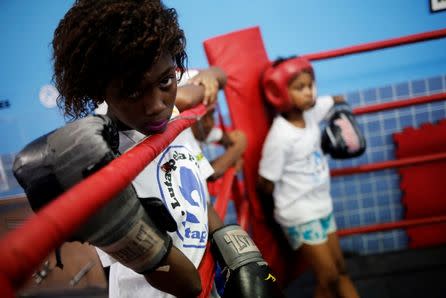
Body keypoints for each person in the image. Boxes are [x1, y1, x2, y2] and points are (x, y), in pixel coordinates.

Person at [43, 1, 282, 297]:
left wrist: (234, 252)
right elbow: (186, 284)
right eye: (132, 91)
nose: (157, 106)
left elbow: (196, 199)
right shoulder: (100, 160)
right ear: (99, 89)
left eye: (166, 81)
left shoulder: (171, 110)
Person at [258, 56, 360, 298]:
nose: (309, 93)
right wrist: (281, 210)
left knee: (341, 270)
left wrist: (342, 108)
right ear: (280, 92)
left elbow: (331, 101)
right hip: (300, 214)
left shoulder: (310, 113)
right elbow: (264, 182)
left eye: (310, 85)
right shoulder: (281, 136)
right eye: (300, 88)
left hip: (322, 205)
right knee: (328, 277)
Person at [176, 68, 248, 181]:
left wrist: (209, 74)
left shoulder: (203, 131)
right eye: (203, 116)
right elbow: (211, 174)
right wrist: (234, 154)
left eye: (212, 114)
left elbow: (238, 137)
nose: (209, 123)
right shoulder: (184, 138)